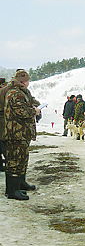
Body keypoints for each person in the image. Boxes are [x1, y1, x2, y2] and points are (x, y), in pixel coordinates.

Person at [4, 69, 41, 200]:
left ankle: (15, 188)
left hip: (20, 133)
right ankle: (13, 191)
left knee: (19, 160)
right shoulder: (16, 94)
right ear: (24, 82)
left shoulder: (18, 92)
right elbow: (21, 111)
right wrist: (34, 111)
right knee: (15, 161)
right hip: (17, 133)